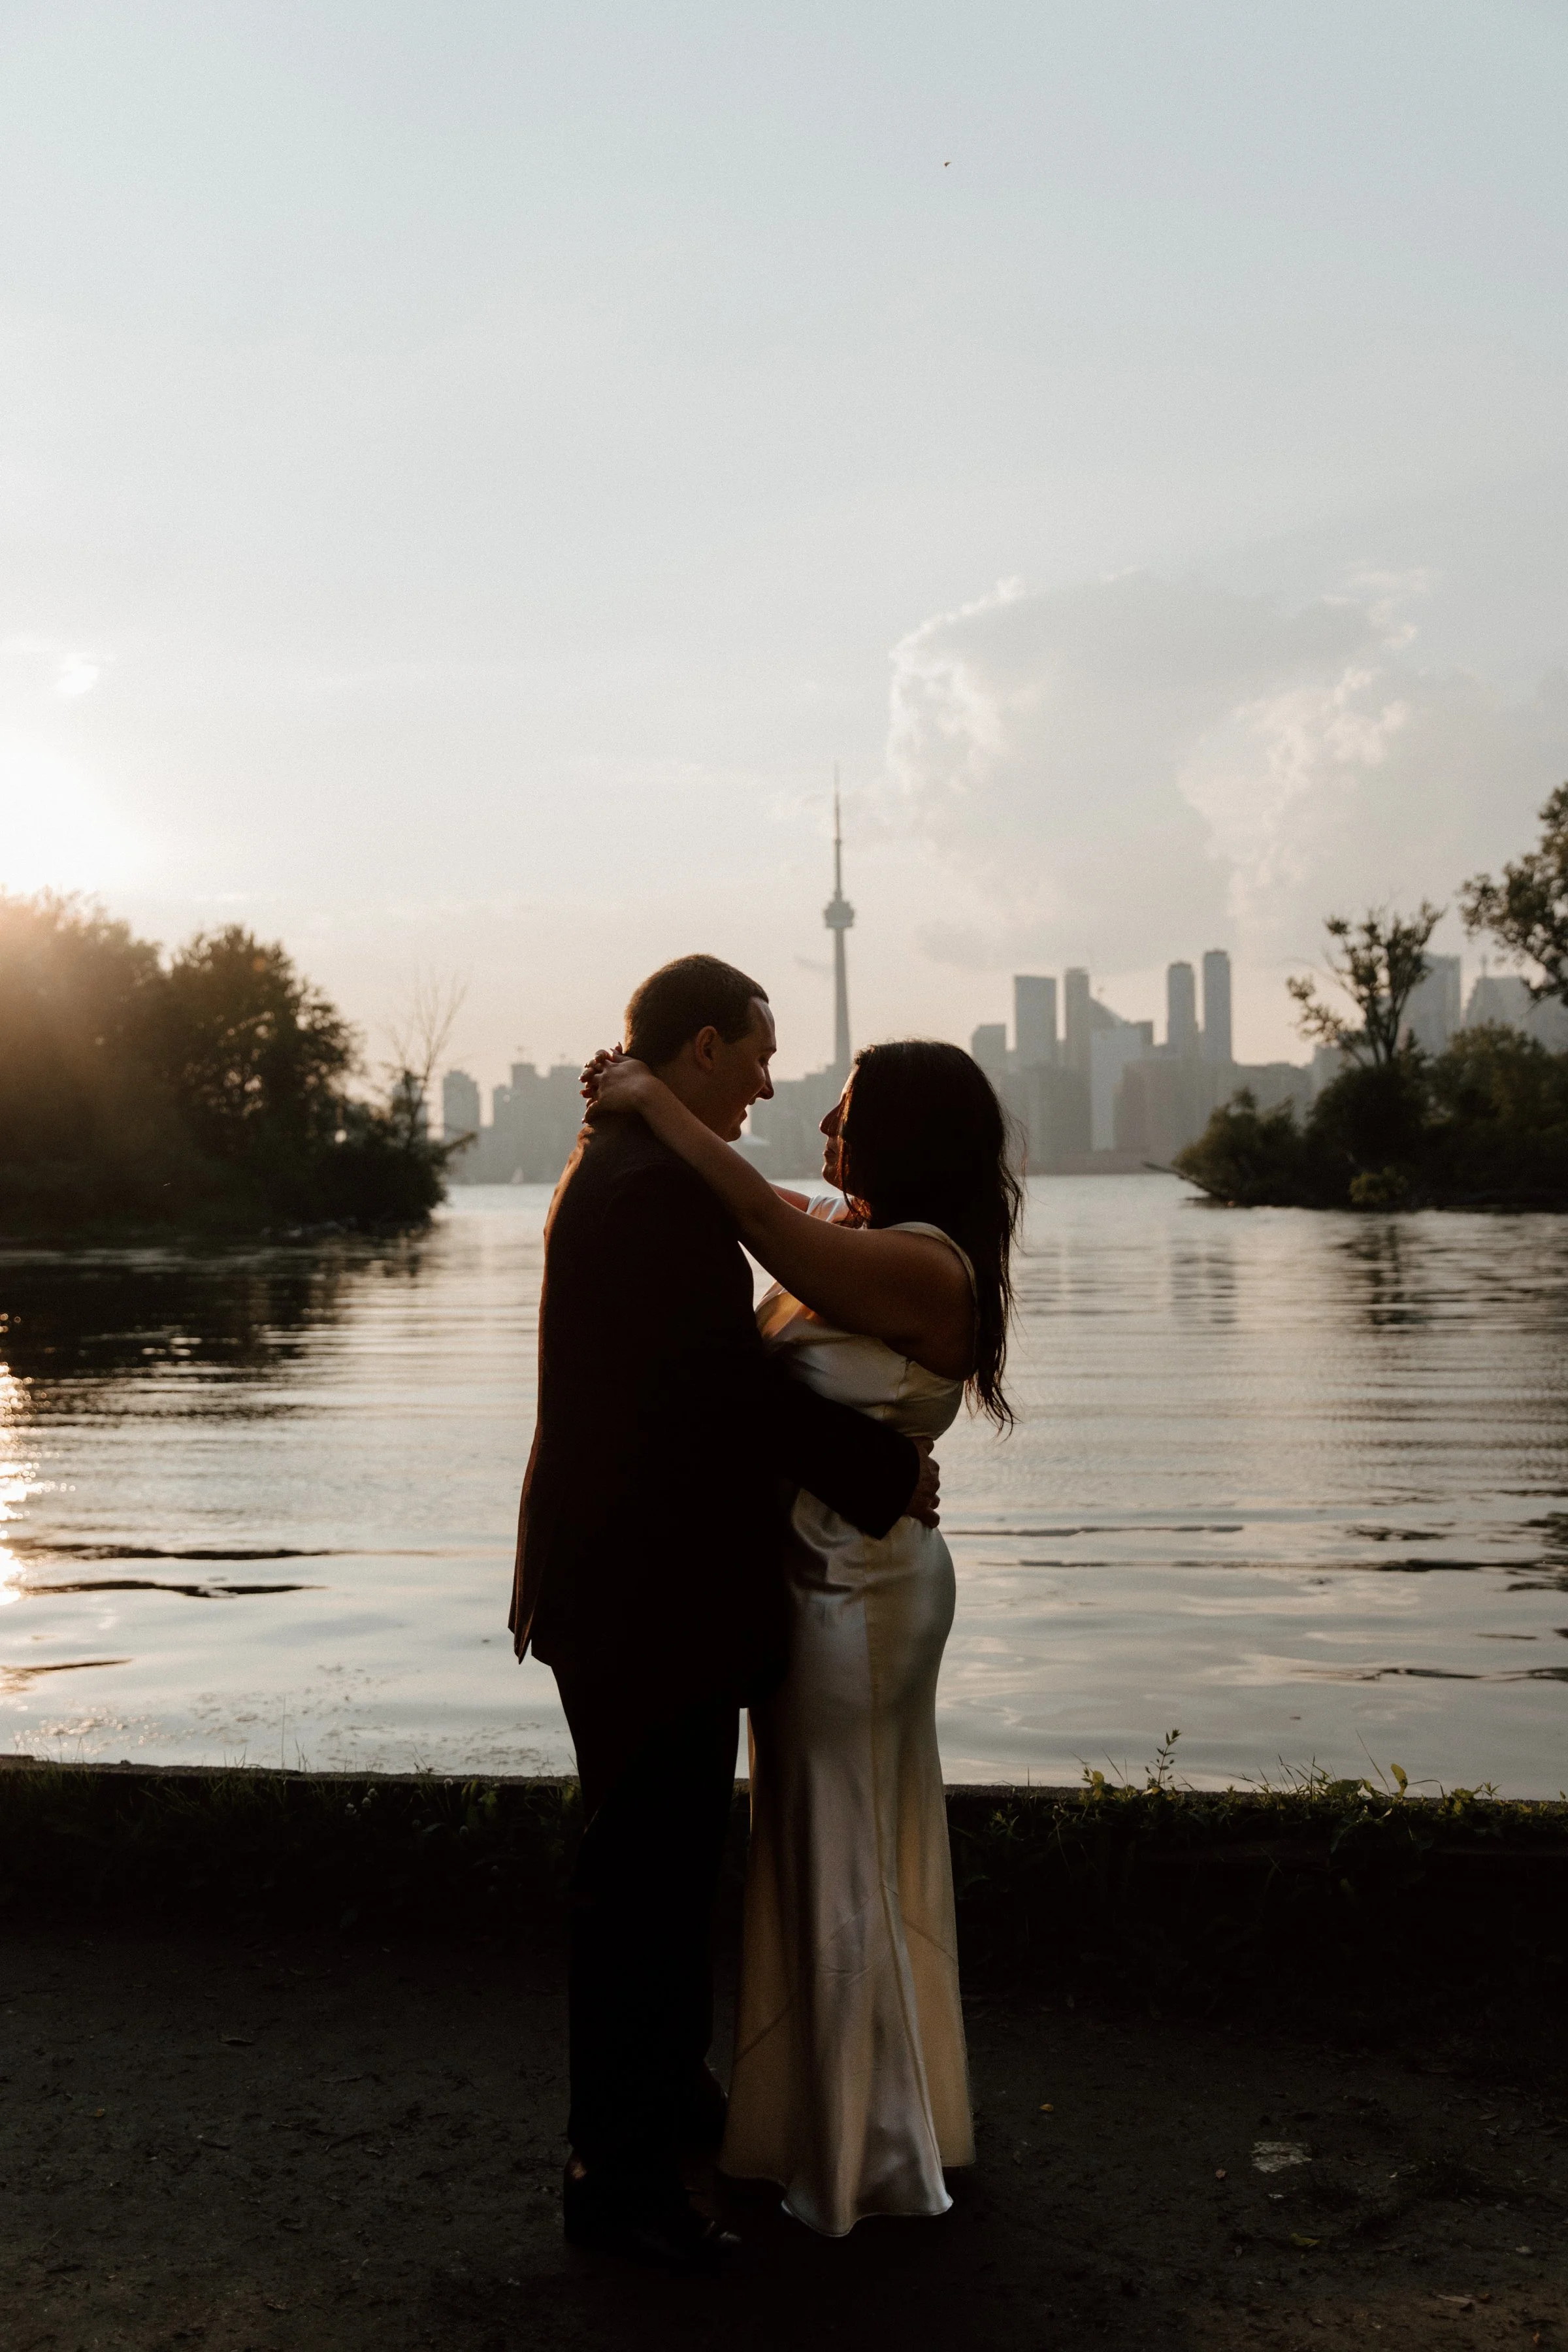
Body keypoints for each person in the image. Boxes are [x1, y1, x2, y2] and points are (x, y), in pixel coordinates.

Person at [510, 955, 938, 2273]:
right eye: (756, 1053)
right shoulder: (649, 1197)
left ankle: (668, 2103)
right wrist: (881, 1472)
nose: (768, 1076)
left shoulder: (635, 1161)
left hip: (625, 1581)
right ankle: (619, 2180)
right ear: (702, 1047)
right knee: (643, 1882)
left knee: (655, 1866)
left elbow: (779, 1238)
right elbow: (718, 1395)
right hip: (647, 1593)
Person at [585, 1034, 1020, 2238]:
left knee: (842, 1854)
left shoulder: (922, 1267)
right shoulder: (864, 1236)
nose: (822, 1132)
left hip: (862, 1598)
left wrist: (656, 1103)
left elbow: (760, 1227)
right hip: (821, 1576)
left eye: (843, 1113)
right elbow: (766, 1213)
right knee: (819, 1846)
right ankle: (832, 2118)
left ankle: (862, 2153)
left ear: (902, 1137)